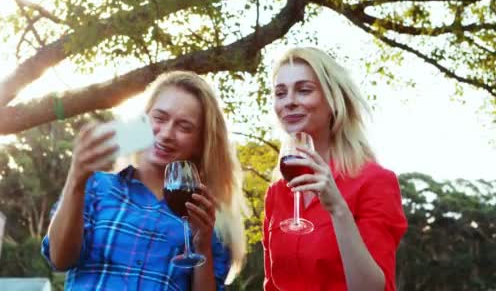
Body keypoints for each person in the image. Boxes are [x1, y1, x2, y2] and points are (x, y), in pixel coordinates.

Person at [42, 71, 247, 291]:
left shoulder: (206, 217)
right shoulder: (95, 187)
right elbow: (59, 260)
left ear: (201, 142)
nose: (167, 133)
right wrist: (75, 179)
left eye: (184, 127)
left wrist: (202, 244)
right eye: (159, 118)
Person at [263, 47, 408, 291]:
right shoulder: (277, 193)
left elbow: (371, 288)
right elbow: (272, 285)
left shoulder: (375, 182)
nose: (289, 102)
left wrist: (338, 209)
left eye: (304, 90)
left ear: (333, 100)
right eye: (280, 93)